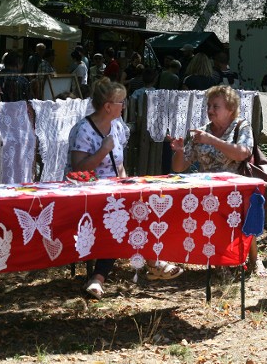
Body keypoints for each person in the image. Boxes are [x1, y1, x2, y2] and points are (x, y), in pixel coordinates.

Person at [67, 77, 183, 299]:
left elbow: (118, 163)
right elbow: (77, 168)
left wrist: (127, 186)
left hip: (114, 191)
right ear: (108, 106)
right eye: (121, 102)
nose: (125, 106)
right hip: (88, 193)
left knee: (137, 208)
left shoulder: (118, 126)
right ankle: (149, 263)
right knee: (120, 216)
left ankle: (104, 276)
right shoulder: (83, 129)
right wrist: (102, 150)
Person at [169, 85, 267, 276]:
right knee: (210, 213)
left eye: (216, 106)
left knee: (244, 211)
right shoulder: (202, 132)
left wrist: (213, 141)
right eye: (209, 106)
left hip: (237, 185)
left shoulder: (240, 126)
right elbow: (179, 167)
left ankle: (255, 260)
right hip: (210, 190)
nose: (210, 110)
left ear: (230, 109)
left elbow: (242, 154)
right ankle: (219, 262)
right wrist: (180, 150)